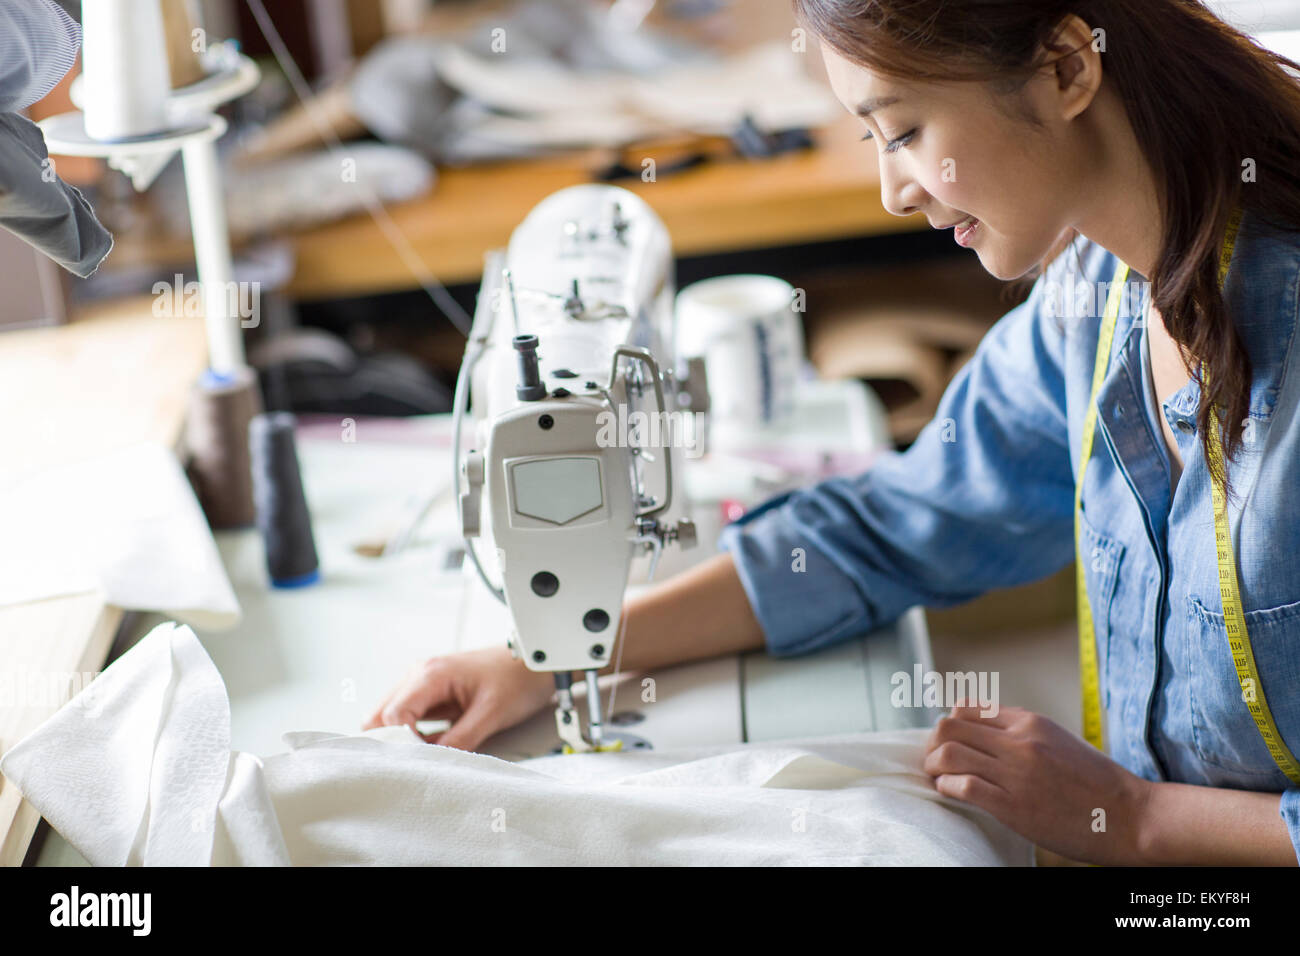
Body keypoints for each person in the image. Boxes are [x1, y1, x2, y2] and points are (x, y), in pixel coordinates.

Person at [368, 0, 1300, 866]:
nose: (893, 190)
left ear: (1064, 68)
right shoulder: (1091, 303)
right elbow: (894, 523)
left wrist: (1134, 819)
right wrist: (564, 654)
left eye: (904, 131)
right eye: (872, 138)